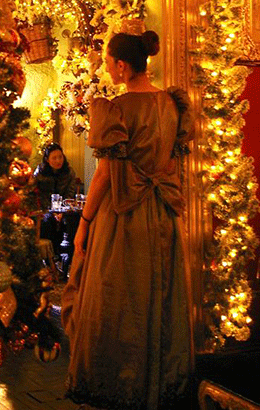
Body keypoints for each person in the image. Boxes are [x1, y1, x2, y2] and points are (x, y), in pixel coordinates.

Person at [62, 30, 195, 410]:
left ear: (122, 66)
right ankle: (160, 383)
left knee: (117, 301)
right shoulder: (172, 104)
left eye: (108, 62)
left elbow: (104, 175)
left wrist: (85, 221)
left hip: (123, 215)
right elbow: (173, 165)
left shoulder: (115, 108)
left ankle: (120, 384)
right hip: (162, 214)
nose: (107, 68)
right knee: (160, 296)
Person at [34, 143, 78, 255]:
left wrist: (62, 211)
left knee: (72, 220)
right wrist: (51, 211)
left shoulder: (69, 172)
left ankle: (69, 255)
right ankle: (51, 255)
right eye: (54, 158)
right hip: (45, 208)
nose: (58, 161)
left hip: (64, 208)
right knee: (48, 221)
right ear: (47, 160)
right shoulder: (40, 172)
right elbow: (39, 194)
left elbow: (70, 194)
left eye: (60, 157)